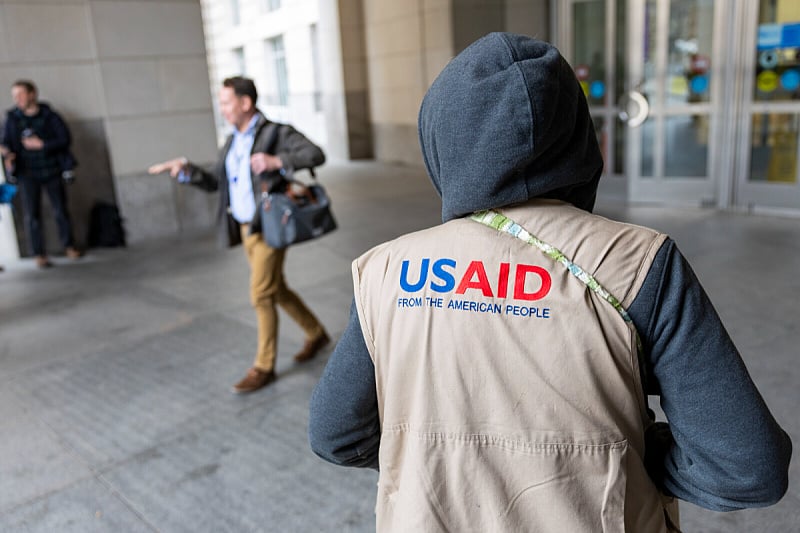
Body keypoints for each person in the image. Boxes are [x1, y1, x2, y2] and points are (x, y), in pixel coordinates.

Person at [308, 33, 791, 531]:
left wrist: (442, 461)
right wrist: (632, 461)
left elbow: (336, 434)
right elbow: (745, 469)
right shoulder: (641, 264)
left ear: (441, 141)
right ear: (579, 139)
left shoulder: (385, 270)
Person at [148, 76, 330, 394]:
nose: (222, 109)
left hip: (270, 224)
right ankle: (316, 333)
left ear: (245, 103)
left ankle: (263, 366)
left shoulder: (276, 132)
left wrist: (278, 161)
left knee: (260, 294)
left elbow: (316, 154)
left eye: (226, 103)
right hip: (245, 227)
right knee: (276, 287)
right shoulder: (232, 141)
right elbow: (218, 183)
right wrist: (187, 171)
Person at [2, 80, 81, 268]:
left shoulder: (49, 115)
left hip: (52, 169)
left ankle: (69, 246)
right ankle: (39, 253)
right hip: (27, 173)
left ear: (32, 94)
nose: (17, 99)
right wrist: (7, 153)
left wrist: (43, 145)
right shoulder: (12, 119)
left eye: (21, 94)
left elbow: (65, 139)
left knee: (60, 210)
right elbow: (5, 142)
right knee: (32, 214)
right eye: (15, 96)